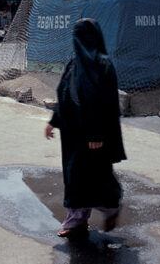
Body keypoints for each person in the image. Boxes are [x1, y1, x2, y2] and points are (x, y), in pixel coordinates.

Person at [44, 18, 126, 238]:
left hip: (94, 135)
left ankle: (110, 209)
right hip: (73, 134)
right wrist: (54, 121)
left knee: (96, 176)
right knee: (74, 177)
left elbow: (107, 104)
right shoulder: (74, 64)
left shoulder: (103, 65)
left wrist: (96, 133)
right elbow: (64, 94)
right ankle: (76, 221)